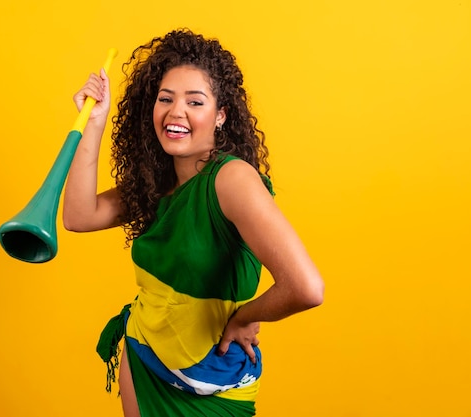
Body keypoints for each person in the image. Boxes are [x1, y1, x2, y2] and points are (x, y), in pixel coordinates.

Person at [63, 29, 324, 417]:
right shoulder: (156, 184)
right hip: (144, 357)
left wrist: (244, 318)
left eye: (195, 101)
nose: (175, 112)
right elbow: (78, 216)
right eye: (165, 99)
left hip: (213, 384)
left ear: (220, 116)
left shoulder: (232, 180)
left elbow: (306, 288)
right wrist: (95, 121)